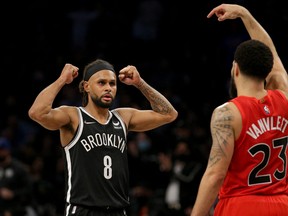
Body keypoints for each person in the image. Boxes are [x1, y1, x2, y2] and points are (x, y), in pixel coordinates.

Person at [28, 58, 178, 216]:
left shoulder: (123, 117)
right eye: (101, 83)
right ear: (86, 86)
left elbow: (169, 114)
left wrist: (140, 83)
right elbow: (37, 113)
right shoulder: (74, 116)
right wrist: (61, 80)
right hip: (83, 209)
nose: (108, 88)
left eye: (112, 84)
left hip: (118, 210)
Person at [190, 4, 288, 216]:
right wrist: (245, 14)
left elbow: (215, 174)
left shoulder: (227, 113)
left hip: (241, 204)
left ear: (235, 68)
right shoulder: (284, 97)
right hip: (282, 204)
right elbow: (275, 60)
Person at [0, 137, 35, 216]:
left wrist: (13, 194)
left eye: (1, 149)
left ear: (7, 150)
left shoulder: (19, 168)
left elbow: (29, 189)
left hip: (18, 210)